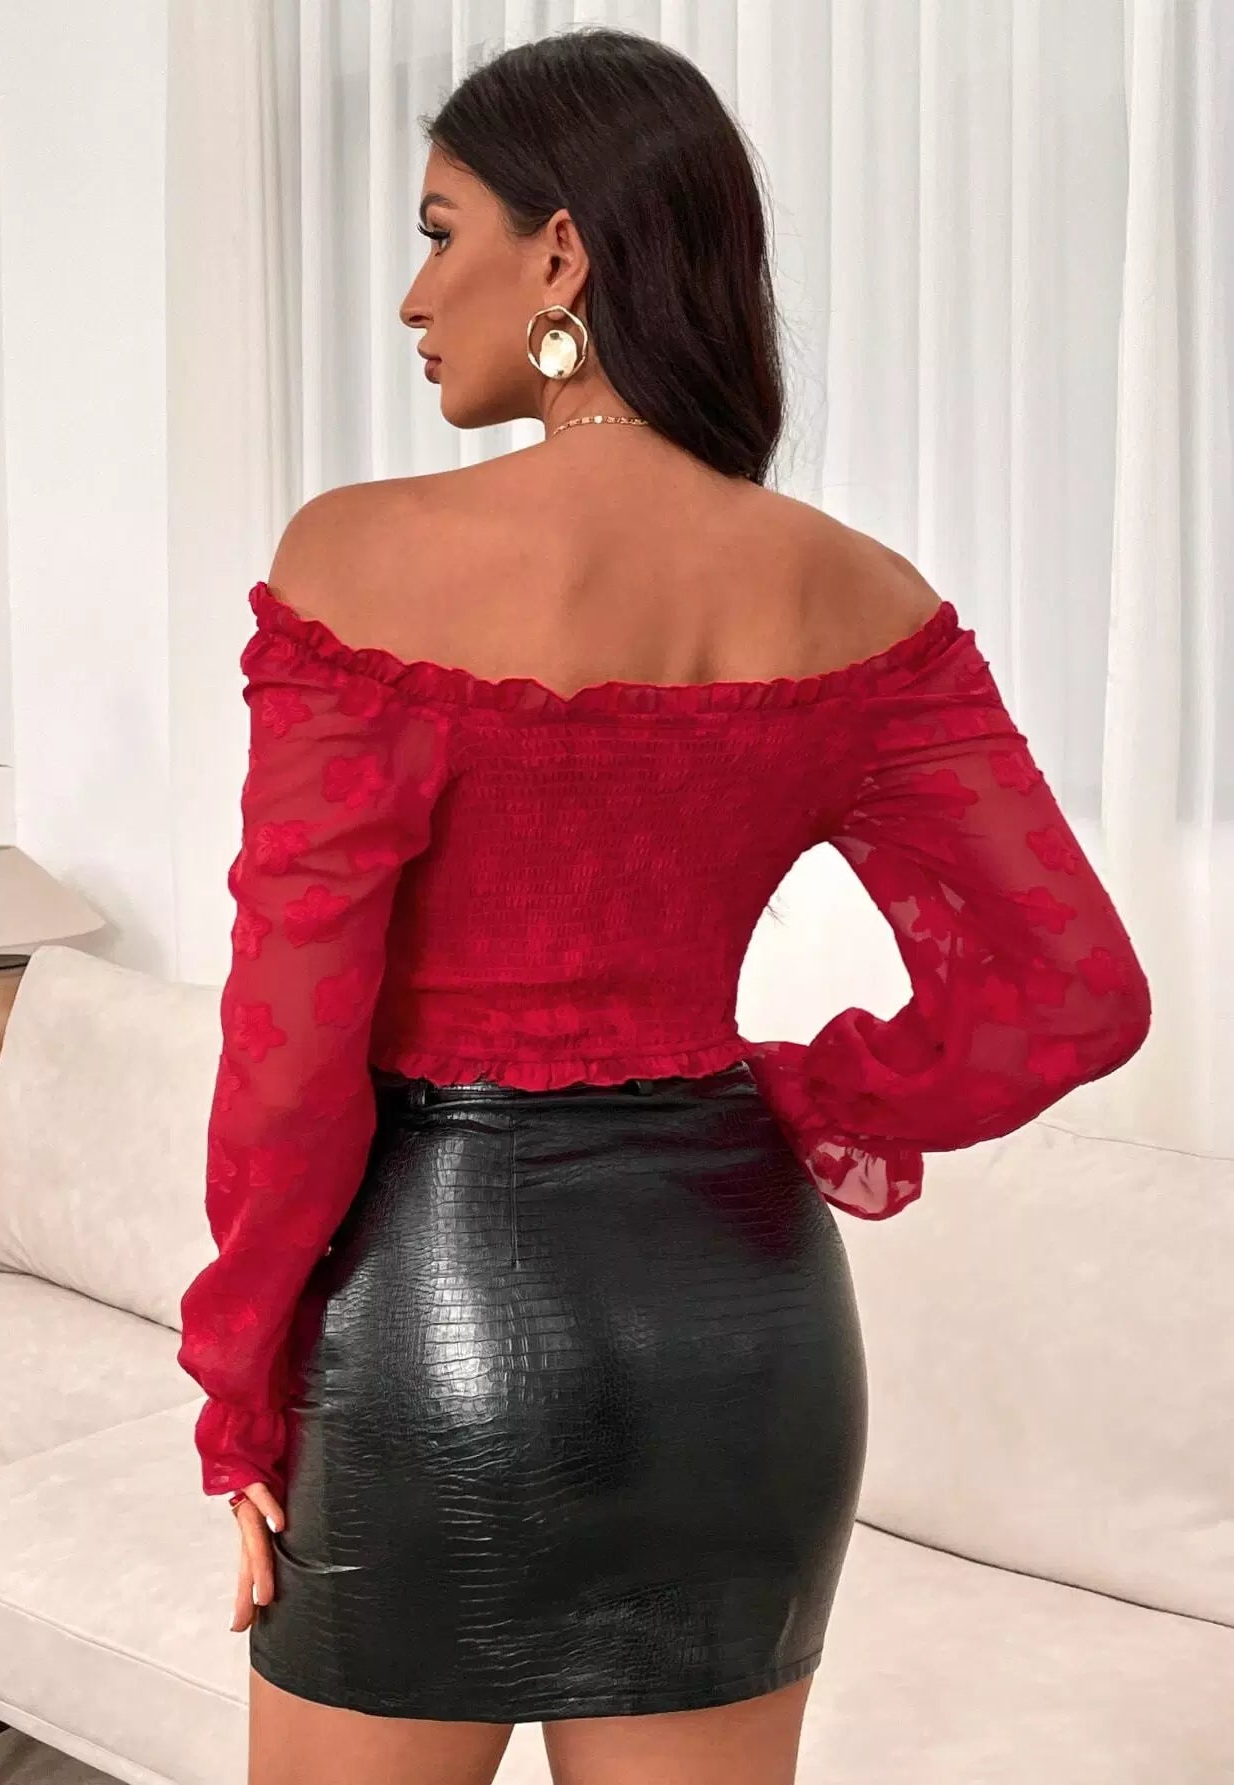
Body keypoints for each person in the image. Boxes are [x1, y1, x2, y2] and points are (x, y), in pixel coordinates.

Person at [175, 24, 1151, 1785]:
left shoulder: (356, 558)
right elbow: (1078, 987)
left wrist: (237, 1385)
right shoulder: (860, 597)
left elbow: (291, 1048)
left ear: (559, 254)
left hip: (428, 1319)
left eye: (439, 230)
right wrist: (807, 1098)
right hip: (742, 1335)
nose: (413, 295)